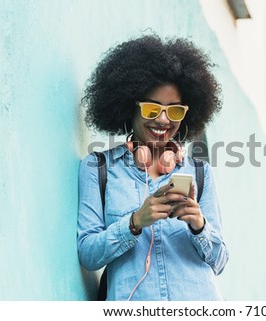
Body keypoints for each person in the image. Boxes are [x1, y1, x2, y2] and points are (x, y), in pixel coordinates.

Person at [77, 34, 229, 301]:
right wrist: (135, 222)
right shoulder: (98, 168)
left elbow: (219, 260)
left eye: (175, 111)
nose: (163, 120)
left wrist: (198, 224)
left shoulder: (200, 173)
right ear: (129, 108)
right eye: (151, 109)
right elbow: (88, 253)